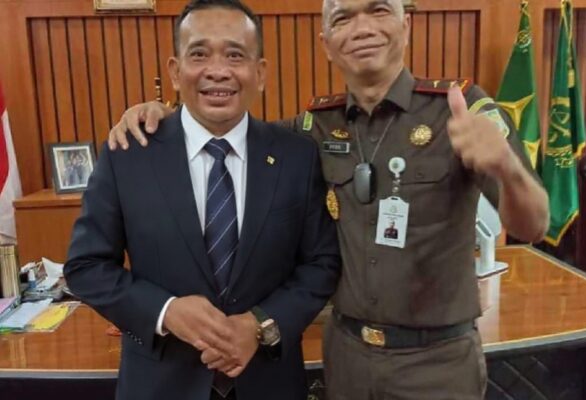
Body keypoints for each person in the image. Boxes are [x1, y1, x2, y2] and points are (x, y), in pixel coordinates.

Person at [106, 0, 550, 398]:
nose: (362, 28)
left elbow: (533, 226)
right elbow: (228, 130)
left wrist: (507, 169)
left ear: (405, 25)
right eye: (343, 18)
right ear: (326, 44)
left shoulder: (460, 109)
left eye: (378, 10)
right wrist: (166, 117)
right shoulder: (314, 127)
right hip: (349, 358)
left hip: (437, 362)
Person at [64, 1, 340, 400]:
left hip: (269, 383)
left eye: (235, 55)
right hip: (160, 385)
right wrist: (166, 311)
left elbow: (321, 264)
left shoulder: (297, 156)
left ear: (260, 73)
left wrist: (260, 326)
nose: (217, 70)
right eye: (199, 54)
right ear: (175, 72)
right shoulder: (128, 154)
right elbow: (86, 266)